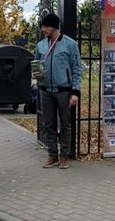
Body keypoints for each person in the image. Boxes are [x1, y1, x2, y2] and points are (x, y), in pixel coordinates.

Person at [34, 13, 82, 169]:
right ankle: (52, 154)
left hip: (64, 90)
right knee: (48, 124)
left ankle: (64, 156)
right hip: (45, 90)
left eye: (46, 26)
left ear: (54, 27)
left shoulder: (70, 44)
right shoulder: (41, 45)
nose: (44, 29)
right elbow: (36, 65)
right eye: (43, 26)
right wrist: (37, 74)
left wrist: (75, 92)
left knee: (65, 124)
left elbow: (77, 69)